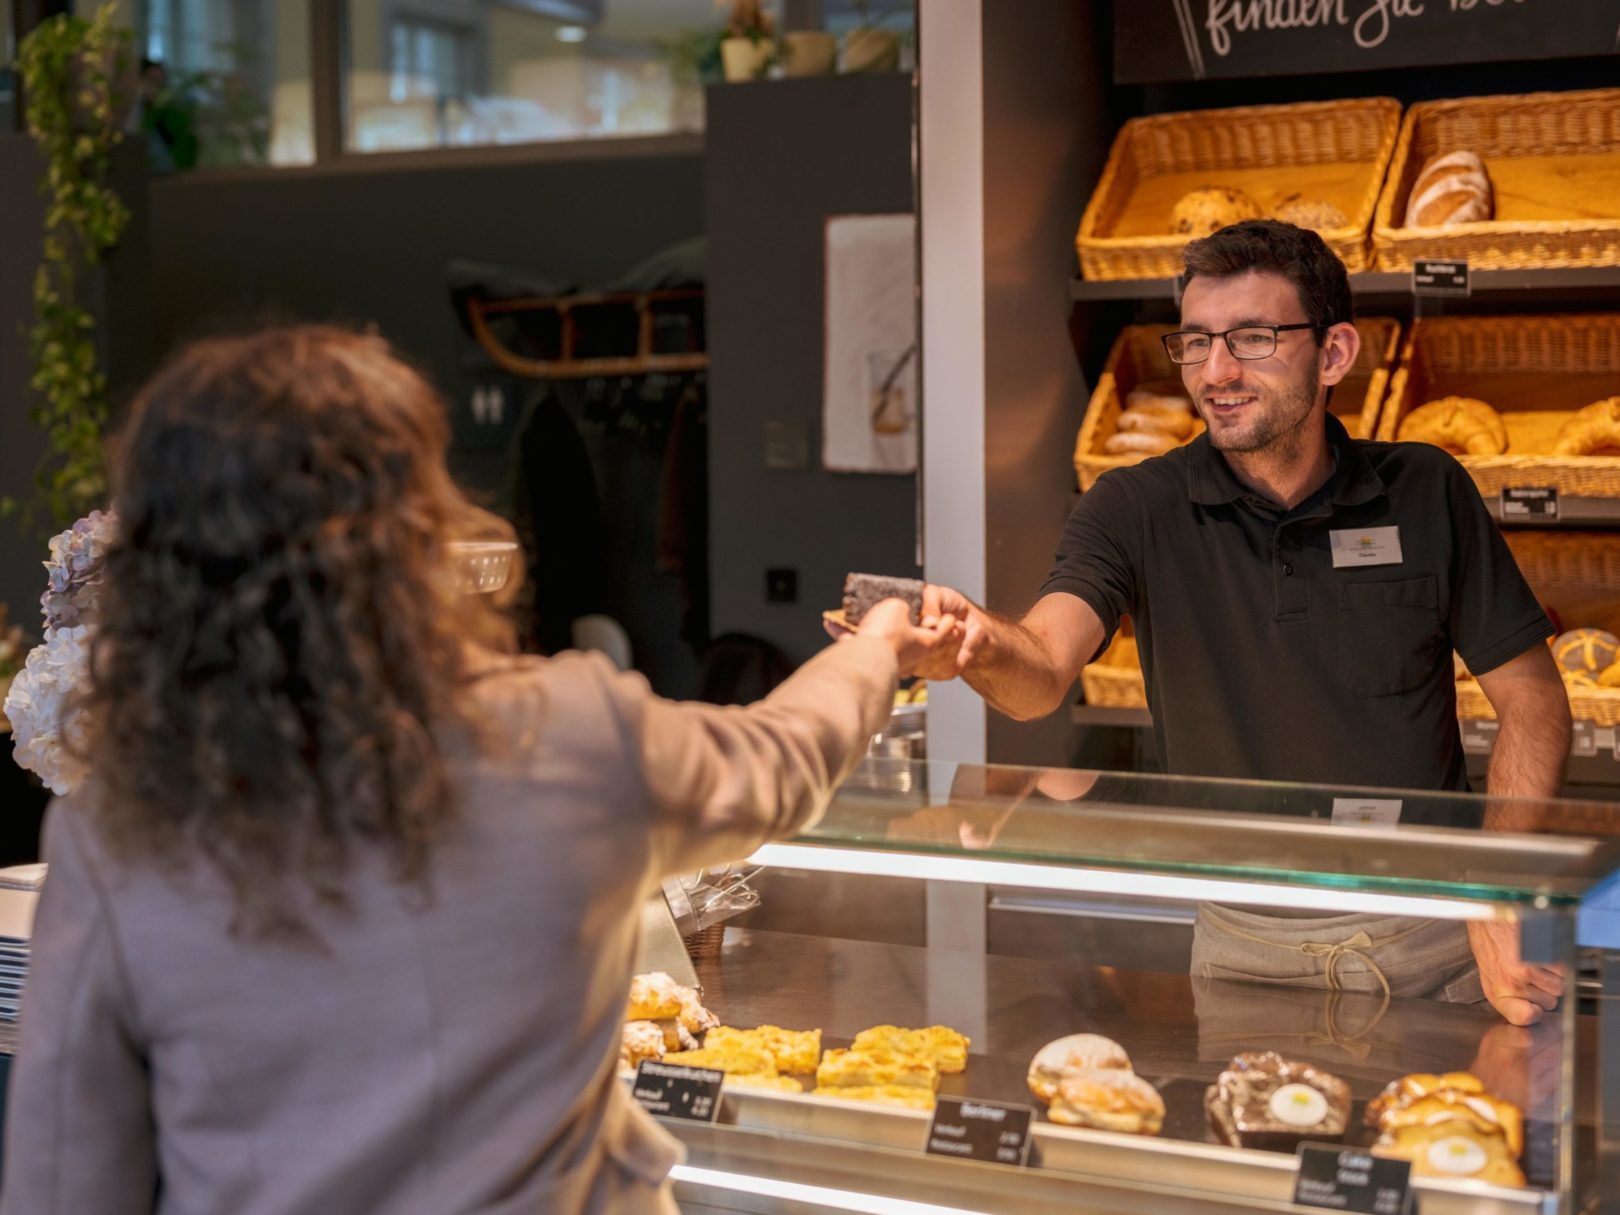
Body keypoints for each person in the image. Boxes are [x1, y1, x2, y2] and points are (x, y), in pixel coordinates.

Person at [0, 326, 959, 1215]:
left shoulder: (119, 829)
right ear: (412, 526)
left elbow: (66, 1179)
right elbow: (785, 758)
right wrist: (879, 647)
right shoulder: (571, 731)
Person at [910, 220, 1571, 1027]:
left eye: (1252, 338)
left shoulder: (1428, 490)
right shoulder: (1133, 506)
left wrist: (1495, 891)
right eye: (1195, 342)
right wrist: (977, 639)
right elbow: (1042, 671)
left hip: (1438, 947)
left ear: (1333, 355)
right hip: (1241, 954)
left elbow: (1534, 700)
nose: (1215, 372)